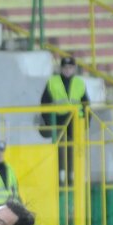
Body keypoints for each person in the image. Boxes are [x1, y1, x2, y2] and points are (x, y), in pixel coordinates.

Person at [39, 55, 89, 184]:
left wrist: (86, 122)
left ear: (74, 69)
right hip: (58, 118)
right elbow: (45, 102)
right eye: (65, 67)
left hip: (75, 120)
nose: (68, 70)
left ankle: (72, 175)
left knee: (73, 147)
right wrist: (48, 121)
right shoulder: (53, 81)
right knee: (61, 147)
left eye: (70, 67)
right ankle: (61, 176)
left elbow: (86, 104)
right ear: (61, 68)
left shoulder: (79, 82)